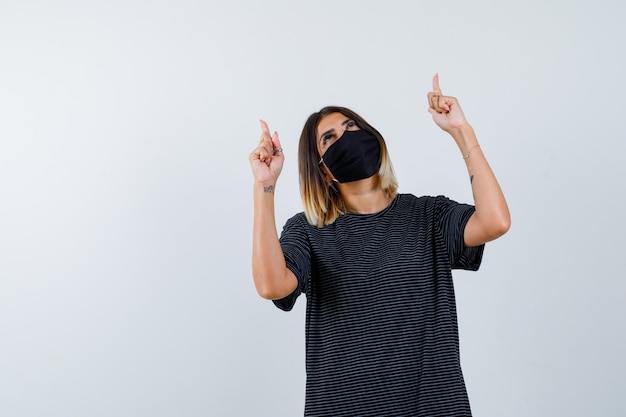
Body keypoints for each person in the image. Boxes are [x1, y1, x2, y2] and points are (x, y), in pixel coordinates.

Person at [248, 74, 510, 416]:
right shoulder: (309, 231)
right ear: (323, 171)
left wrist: (461, 131)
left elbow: (495, 221)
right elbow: (271, 285)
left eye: (352, 126)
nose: (347, 137)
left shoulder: (428, 215)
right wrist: (264, 186)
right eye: (330, 137)